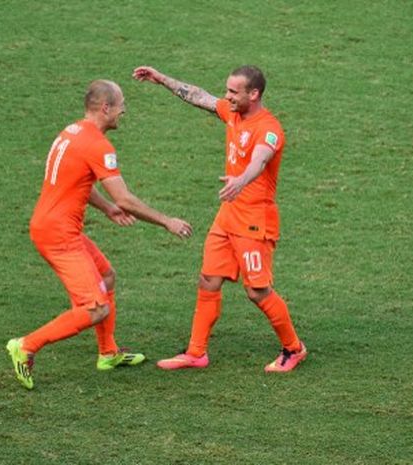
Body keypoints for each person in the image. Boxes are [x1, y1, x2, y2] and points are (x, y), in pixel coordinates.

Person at [6, 80, 193, 390]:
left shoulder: (72, 132)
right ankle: (25, 345)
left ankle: (108, 353)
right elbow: (126, 199)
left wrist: (105, 208)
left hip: (55, 226)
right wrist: (166, 221)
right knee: (95, 308)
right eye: (121, 104)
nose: (124, 110)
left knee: (106, 277)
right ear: (105, 108)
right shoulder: (97, 145)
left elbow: (77, 179)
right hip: (58, 234)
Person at [132, 64, 307, 372]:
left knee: (257, 291)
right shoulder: (233, 113)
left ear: (254, 94)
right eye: (227, 91)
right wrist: (161, 79)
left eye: (233, 92)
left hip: (254, 221)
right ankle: (196, 353)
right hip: (227, 216)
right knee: (208, 280)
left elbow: (260, 159)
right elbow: (199, 96)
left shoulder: (269, 129)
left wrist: (241, 181)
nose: (227, 97)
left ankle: (293, 349)